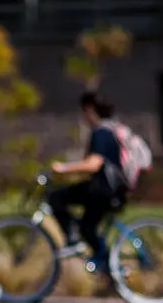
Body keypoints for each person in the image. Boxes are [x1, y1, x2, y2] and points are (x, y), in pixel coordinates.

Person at [47, 91, 128, 275]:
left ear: (90, 110)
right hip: (111, 190)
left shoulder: (101, 132)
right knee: (87, 227)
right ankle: (109, 266)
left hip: (104, 190)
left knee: (55, 197)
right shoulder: (112, 130)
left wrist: (64, 168)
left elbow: (93, 164)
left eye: (84, 111)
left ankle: (73, 240)